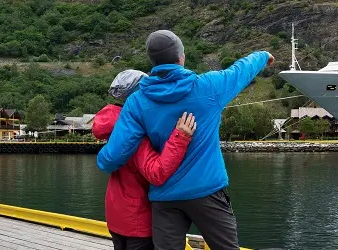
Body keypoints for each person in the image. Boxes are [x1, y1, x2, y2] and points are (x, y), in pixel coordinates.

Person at [96, 30, 273, 250]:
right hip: (207, 191)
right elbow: (240, 70)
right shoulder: (209, 86)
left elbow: (110, 159)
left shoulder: (136, 102)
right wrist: (263, 55)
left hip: (164, 199)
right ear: (181, 57)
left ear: (152, 62)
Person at [93, 70, 196, 250]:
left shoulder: (117, 128)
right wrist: (180, 137)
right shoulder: (134, 134)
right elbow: (157, 172)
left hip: (117, 214)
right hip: (137, 220)